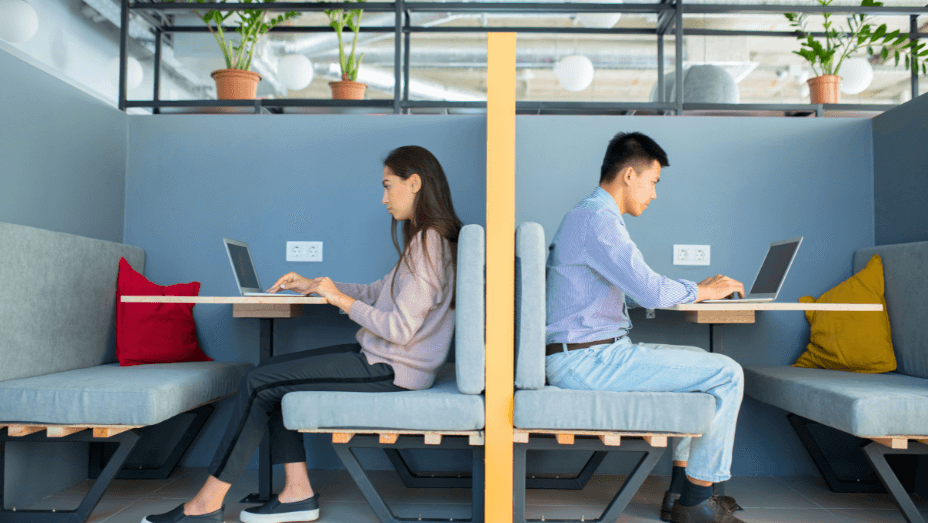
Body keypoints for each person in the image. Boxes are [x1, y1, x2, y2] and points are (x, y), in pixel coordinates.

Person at [143, 145, 463, 523]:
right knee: (270, 375)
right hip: (387, 361)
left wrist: (338, 299)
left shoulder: (429, 242)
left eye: (387, 186)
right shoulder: (425, 242)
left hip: (392, 368)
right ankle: (297, 493)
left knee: (257, 381)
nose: (383, 199)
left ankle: (206, 504)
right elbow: (379, 292)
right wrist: (316, 284)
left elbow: (399, 328)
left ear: (414, 183)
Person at [544, 132, 747, 523]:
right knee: (726, 373)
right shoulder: (596, 220)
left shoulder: (591, 217)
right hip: (588, 361)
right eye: (653, 182)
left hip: (591, 353)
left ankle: (679, 491)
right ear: (630, 175)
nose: (654, 194)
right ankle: (697, 504)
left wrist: (695, 292)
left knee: (701, 363)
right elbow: (652, 291)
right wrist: (702, 290)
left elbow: (630, 291)